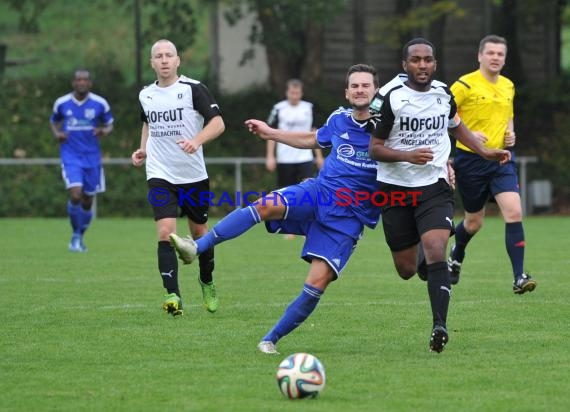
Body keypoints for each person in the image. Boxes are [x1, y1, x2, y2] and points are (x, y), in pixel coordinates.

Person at [169, 64, 380, 354]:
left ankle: (270, 339)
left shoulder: (387, 128)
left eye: (365, 85)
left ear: (375, 90)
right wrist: (271, 133)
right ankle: (197, 247)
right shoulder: (339, 118)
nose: (359, 90)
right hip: (318, 193)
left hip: (349, 216)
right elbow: (310, 139)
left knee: (317, 283)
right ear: (347, 92)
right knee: (264, 205)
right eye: (354, 86)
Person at [368, 38, 511, 352]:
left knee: (436, 248)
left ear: (435, 63)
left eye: (428, 60)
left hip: (434, 186)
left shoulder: (443, 95)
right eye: (416, 60)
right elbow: (375, 149)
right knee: (407, 269)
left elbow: (457, 127)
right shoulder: (389, 97)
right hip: (394, 191)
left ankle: (439, 327)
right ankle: (423, 262)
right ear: (405, 65)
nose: (423, 65)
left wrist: (484, 151)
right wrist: (407, 156)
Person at [131, 39, 225, 317]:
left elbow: (218, 123)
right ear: (152, 63)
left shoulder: (193, 89)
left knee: (199, 234)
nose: (163, 60)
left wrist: (196, 141)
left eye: (168, 55)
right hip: (160, 173)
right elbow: (147, 122)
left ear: (177, 60)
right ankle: (172, 294)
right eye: (158, 56)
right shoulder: (146, 94)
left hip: (193, 175)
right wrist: (143, 150)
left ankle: (207, 281)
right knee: (165, 232)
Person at [447, 35, 537, 294]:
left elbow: (507, 115)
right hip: (470, 160)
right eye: (491, 53)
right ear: (480, 56)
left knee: (514, 212)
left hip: (501, 158)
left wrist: (511, 133)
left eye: (500, 54)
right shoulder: (464, 85)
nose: (496, 57)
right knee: (474, 222)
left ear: (504, 59)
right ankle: (457, 252)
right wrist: (468, 134)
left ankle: (519, 277)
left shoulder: (508, 85)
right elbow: (442, 116)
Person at [50, 69, 114, 252]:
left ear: (90, 83)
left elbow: (110, 123)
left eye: (85, 79)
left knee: (87, 200)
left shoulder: (99, 103)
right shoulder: (62, 103)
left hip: (92, 157)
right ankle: (76, 236)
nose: (82, 82)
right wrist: (57, 134)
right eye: (78, 79)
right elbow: (53, 121)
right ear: (73, 82)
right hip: (70, 155)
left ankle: (78, 236)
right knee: (75, 194)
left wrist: (104, 131)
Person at [265, 79, 324, 188]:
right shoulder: (278, 108)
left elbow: (314, 133)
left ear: (301, 93)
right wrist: (270, 156)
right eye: (292, 93)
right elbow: (270, 133)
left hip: (305, 157)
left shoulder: (309, 108)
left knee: (308, 190)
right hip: (285, 158)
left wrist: (319, 156)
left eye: (297, 93)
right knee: (286, 193)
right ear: (287, 93)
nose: (294, 96)